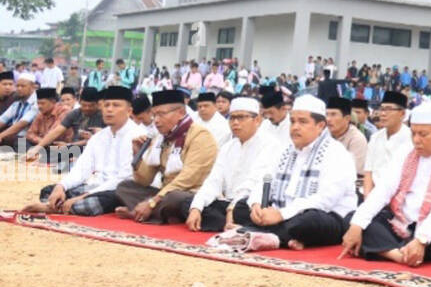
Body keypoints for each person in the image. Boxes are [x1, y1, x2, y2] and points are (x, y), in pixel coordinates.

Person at [341, 98, 431, 265]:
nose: (416, 140)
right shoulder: (406, 151)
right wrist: (357, 224)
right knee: (352, 219)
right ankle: (399, 255)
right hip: (401, 226)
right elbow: (384, 190)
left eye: (423, 134)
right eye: (413, 133)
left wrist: (422, 239)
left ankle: (385, 249)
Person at [220, 95, 358, 251]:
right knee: (241, 207)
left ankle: (257, 233)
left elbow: (325, 200)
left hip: (326, 216)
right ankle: (280, 236)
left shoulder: (336, 153)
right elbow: (265, 180)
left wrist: (281, 215)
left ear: (320, 125)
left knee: (308, 222)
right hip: (282, 213)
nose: (295, 127)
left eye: (303, 122)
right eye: (292, 121)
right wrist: (257, 205)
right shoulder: (284, 150)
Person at [24, 86, 147, 216]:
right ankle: (61, 206)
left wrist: (83, 196)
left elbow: (124, 178)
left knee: (91, 204)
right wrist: (62, 186)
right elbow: (82, 168)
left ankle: (55, 207)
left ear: (129, 111)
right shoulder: (99, 137)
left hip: (120, 190)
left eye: (116, 105)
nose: (109, 109)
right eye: (106, 105)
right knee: (49, 191)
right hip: (95, 185)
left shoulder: (138, 136)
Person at [114, 88, 220, 224]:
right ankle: (157, 214)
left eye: (161, 114)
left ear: (181, 113)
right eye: (154, 115)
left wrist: (152, 202)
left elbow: (187, 179)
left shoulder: (200, 136)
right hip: (163, 194)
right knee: (124, 187)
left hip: (190, 194)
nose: (156, 121)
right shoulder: (161, 137)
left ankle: (141, 212)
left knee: (175, 198)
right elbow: (145, 180)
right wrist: (138, 155)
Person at [183, 97, 281, 232]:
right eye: (232, 118)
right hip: (226, 202)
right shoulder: (228, 147)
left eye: (241, 118)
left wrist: (233, 208)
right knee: (188, 203)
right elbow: (214, 180)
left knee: (245, 210)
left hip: (248, 202)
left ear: (257, 120)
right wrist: (196, 208)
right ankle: (232, 224)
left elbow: (254, 182)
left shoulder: (270, 145)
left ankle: (230, 222)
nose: (235, 123)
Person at [363, 91, 412, 195]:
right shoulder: (375, 137)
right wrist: (367, 200)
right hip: (372, 195)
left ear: (402, 114)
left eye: (389, 109)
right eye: (382, 109)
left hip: (398, 197)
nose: (383, 113)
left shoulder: (411, 139)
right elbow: (368, 171)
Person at [325, 96, 368, 183]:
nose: (328, 119)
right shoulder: (323, 134)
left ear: (347, 118)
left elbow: (354, 173)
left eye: (333, 114)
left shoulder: (357, 139)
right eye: (327, 114)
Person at [0, 72, 38, 149]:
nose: (19, 88)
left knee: (17, 141)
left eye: (23, 86)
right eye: (17, 86)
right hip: (13, 137)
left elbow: (22, 123)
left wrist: (1, 135)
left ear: (33, 87)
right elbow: (2, 120)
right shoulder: (17, 103)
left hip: (27, 140)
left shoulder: (37, 103)